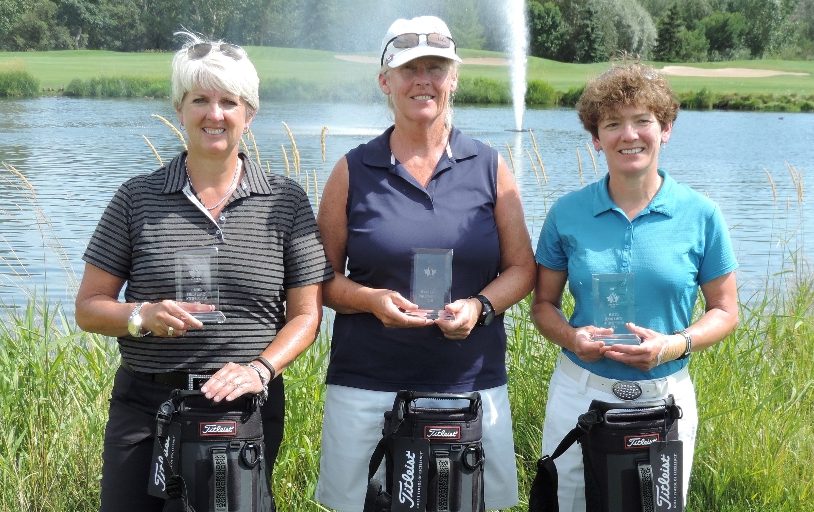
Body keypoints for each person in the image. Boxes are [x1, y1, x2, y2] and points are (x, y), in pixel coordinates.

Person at [74, 31, 333, 511]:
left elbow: (306, 317)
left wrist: (261, 369)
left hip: (243, 408)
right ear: (179, 109)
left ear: (249, 114)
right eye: (200, 100)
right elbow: (89, 308)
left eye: (229, 102)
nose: (215, 114)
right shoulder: (136, 198)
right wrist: (141, 316)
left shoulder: (286, 201)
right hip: (146, 409)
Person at [314, 15, 536, 511]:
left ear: (453, 79)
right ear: (384, 81)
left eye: (436, 68)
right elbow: (321, 280)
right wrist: (371, 300)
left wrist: (480, 306)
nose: (423, 81)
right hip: (365, 384)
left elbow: (522, 269)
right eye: (409, 69)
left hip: (469, 384)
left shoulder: (490, 166)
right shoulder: (351, 169)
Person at [531, 59, 739, 511]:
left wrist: (674, 345)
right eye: (612, 124)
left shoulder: (701, 214)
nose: (629, 135)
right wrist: (571, 336)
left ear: (665, 129)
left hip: (665, 395)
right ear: (595, 138)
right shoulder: (567, 213)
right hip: (579, 391)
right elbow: (543, 304)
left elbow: (725, 310)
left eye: (642, 121)